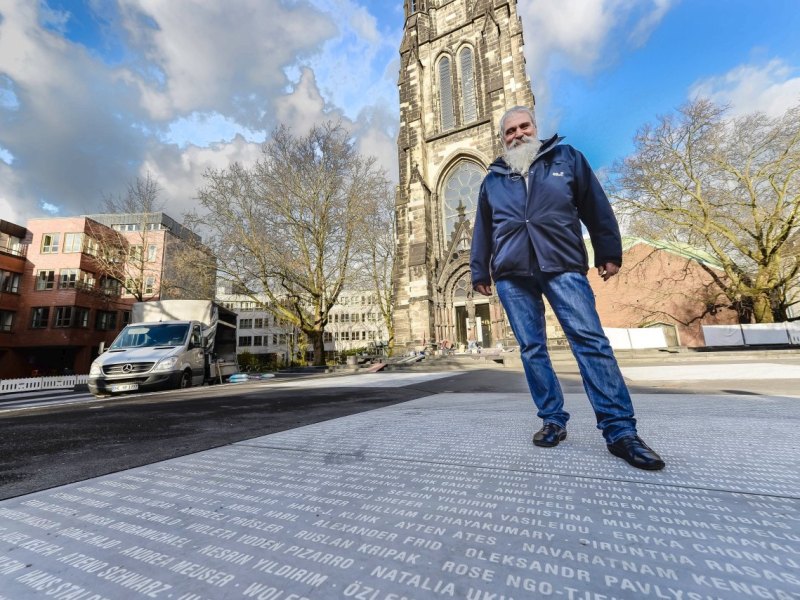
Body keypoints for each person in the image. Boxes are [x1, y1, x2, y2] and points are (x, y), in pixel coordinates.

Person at [470, 106, 665, 470]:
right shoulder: (493, 178)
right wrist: (479, 270)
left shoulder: (566, 158)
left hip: (561, 263)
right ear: (503, 138)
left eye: (523, 126)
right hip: (512, 272)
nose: (518, 134)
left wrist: (608, 251)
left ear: (535, 127)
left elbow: (595, 205)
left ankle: (620, 431)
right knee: (532, 349)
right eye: (510, 131)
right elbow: (483, 228)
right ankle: (552, 420)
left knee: (590, 342)